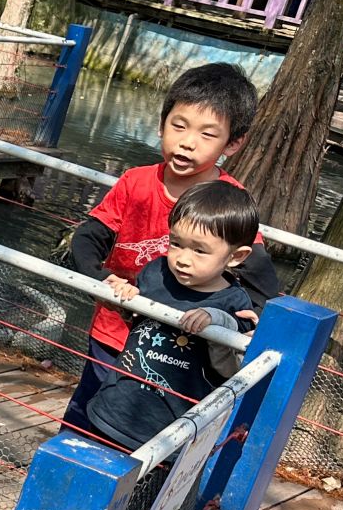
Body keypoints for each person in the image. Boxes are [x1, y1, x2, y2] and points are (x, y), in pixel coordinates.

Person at [60, 62, 280, 434]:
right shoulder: (135, 183)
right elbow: (87, 239)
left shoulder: (228, 203)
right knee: (86, 418)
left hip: (177, 353)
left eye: (207, 134)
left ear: (233, 143)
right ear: (162, 124)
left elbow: (259, 277)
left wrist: (256, 323)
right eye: (179, 126)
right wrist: (103, 280)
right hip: (114, 332)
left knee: (152, 434)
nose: (187, 142)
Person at [79, 182, 262, 451]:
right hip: (114, 409)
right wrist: (126, 296)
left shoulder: (234, 303)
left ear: (236, 256)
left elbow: (230, 365)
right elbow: (136, 319)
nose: (183, 259)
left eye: (200, 250)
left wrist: (217, 320)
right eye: (175, 243)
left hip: (172, 431)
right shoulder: (156, 272)